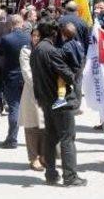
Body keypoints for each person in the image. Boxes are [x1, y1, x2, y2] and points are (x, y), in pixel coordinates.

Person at [31, 20, 86, 187]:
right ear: (54, 34)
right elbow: (69, 76)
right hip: (59, 101)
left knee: (51, 137)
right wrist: (76, 69)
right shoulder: (51, 51)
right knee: (67, 137)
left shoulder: (36, 50)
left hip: (45, 100)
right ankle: (70, 176)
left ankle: (51, 174)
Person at [0, 14, 30, 149]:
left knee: (14, 108)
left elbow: (0, 56)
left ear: (11, 24)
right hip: (26, 77)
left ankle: (12, 139)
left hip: (11, 76)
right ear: (22, 24)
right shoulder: (29, 38)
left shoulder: (5, 39)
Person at [19, 28, 46, 171]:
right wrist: (39, 86)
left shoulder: (46, 49)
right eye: (33, 35)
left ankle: (43, 155)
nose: (35, 38)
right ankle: (33, 157)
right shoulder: (25, 50)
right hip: (31, 92)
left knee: (44, 126)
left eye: (38, 35)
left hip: (46, 93)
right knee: (31, 126)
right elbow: (26, 72)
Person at [53, 23, 84, 110]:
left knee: (61, 82)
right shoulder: (78, 43)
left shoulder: (66, 46)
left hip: (71, 70)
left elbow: (61, 57)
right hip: (79, 68)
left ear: (63, 35)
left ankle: (61, 99)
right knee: (78, 85)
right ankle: (77, 103)